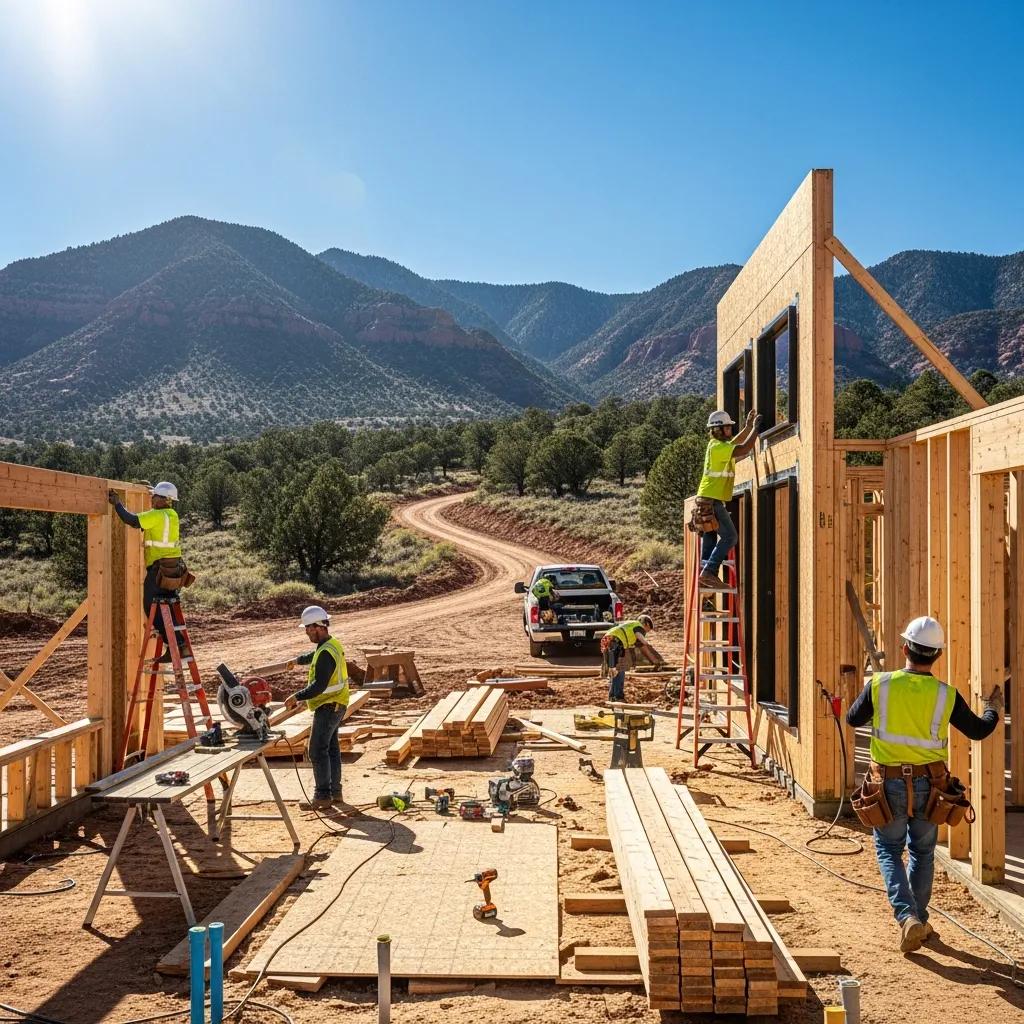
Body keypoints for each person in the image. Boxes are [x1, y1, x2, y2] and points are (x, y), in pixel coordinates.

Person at [846, 615, 1002, 953]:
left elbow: (852, 719)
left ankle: (908, 918)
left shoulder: (880, 684)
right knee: (922, 851)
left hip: (887, 785)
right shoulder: (946, 694)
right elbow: (978, 730)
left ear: (904, 648)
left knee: (888, 849)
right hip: (931, 786)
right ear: (937, 655)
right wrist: (993, 709)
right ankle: (919, 917)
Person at [108, 481, 187, 655]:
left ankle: (176, 646)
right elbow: (153, 520)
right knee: (167, 603)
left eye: (154, 497)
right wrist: (149, 488)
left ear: (163, 499)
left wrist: (117, 504)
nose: (152, 499)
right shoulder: (171, 514)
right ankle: (180, 645)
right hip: (173, 568)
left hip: (159, 569)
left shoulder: (157, 516)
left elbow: (133, 520)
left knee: (150, 606)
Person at [286, 605, 350, 810]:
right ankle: (335, 792)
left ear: (318, 626)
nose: (306, 632)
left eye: (308, 628)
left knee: (316, 750)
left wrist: (297, 697)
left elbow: (319, 686)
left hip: (328, 705)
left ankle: (322, 796)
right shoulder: (331, 644)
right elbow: (315, 655)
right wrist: (297, 660)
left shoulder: (325, 653)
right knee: (331, 749)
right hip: (337, 703)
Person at [696, 409, 761, 590]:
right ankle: (709, 572)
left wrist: (748, 427)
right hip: (712, 500)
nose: (730, 430)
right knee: (730, 537)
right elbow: (744, 448)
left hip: (707, 499)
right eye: (727, 427)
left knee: (709, 539)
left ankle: (706, 576)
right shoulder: (717, 447)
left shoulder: (718, 446)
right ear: (718, 429)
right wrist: (756, 429)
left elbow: (736, 442)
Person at [603, 613, 665, 702]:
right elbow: (640, 638)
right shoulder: (639, 627)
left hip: (607, 641)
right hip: (615, 642)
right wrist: (648, 644)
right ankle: (618, 697)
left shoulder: (630, 627)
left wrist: (655, 661)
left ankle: (612, 696)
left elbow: (643, 649)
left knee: (615, 671)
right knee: (620, 671)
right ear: (646, 624)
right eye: (648, 630)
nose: (646, 633)